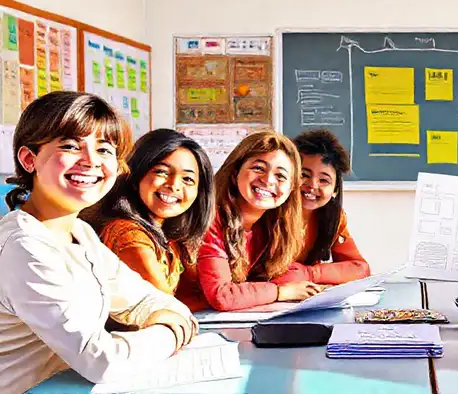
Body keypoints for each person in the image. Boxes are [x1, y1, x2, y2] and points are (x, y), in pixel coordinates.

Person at [0, 92, 196, 393]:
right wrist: (170, 332)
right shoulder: (23, 247)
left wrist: (161, 318)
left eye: (105, 150)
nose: (91, 161)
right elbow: (103, 362)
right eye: (69, 146)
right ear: (29, 159)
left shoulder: (81, 233)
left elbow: (148, 300)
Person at [83, 129, 215, 311]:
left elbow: (201, 295)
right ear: (136, 175)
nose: (174, 185)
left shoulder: (168, 234)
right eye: (161, 172)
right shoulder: (129, 234)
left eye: (188, 179)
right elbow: (166, 306)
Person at [197, 131, 322, 311]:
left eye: (280, 176)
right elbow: (222, 296)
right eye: (258, 168)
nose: (268, 180)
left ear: (291, 189)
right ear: (235, 173)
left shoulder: (270, 227)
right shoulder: (211, 219)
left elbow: (278, 276)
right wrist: (280, 292)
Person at [271, 129, 369, 285]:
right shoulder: (267, 211)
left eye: (324, 180)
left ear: (335, 189)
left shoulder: (332, 217)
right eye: (304, 175)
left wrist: (310, 274)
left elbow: (360, 269)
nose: (312, 186)